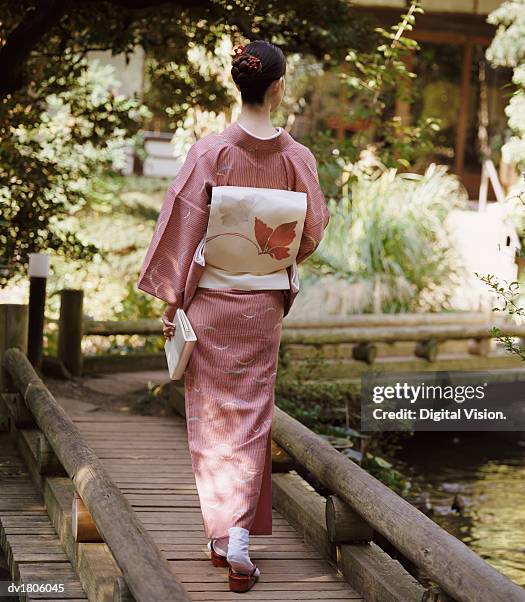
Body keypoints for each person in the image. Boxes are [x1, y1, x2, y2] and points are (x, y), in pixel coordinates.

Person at [136, 40, 329, 593]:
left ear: (238, 85)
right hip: (262, 306)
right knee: (249, 418)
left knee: (211, 419)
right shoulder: (297, 158)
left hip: (211, 302)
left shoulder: (210, 153)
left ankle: (227, 536)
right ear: (277, 88)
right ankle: (234, 537)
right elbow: (308, 236)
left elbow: (183, 229)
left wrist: (175, 301)